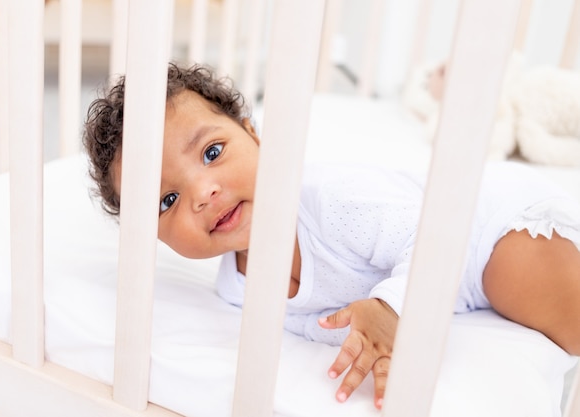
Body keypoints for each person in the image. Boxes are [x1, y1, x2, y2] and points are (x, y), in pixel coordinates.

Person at [83, 63, 580, 410]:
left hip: (480, 225)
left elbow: (434, 245)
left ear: (255, 135)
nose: (202, 193)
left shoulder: (333, 200)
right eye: (166, 201)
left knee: (522, 281)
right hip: (454, 279)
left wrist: (388, 310)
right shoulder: (234, 290)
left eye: (212, 153)